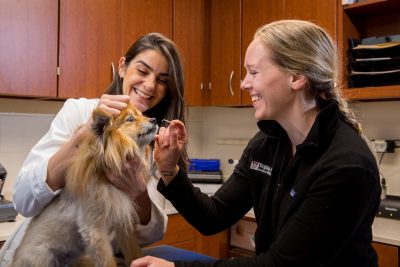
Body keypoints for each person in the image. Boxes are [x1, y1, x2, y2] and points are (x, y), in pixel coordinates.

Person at [132, 20, 381, 267]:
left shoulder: (346, 165)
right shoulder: (268, 142)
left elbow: (280, 264)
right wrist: (170, 171)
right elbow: (213, 216)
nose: (243, 83)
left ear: (296, 77)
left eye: (253, 72)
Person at [0, 32, 189, 266]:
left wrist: (138, 192)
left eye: (162, 80)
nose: (150, 85)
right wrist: (83, 137)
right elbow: (23, 200)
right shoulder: (79, 112)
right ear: (122, 67)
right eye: (142, 71)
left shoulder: (151, 141)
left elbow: (151, 233)